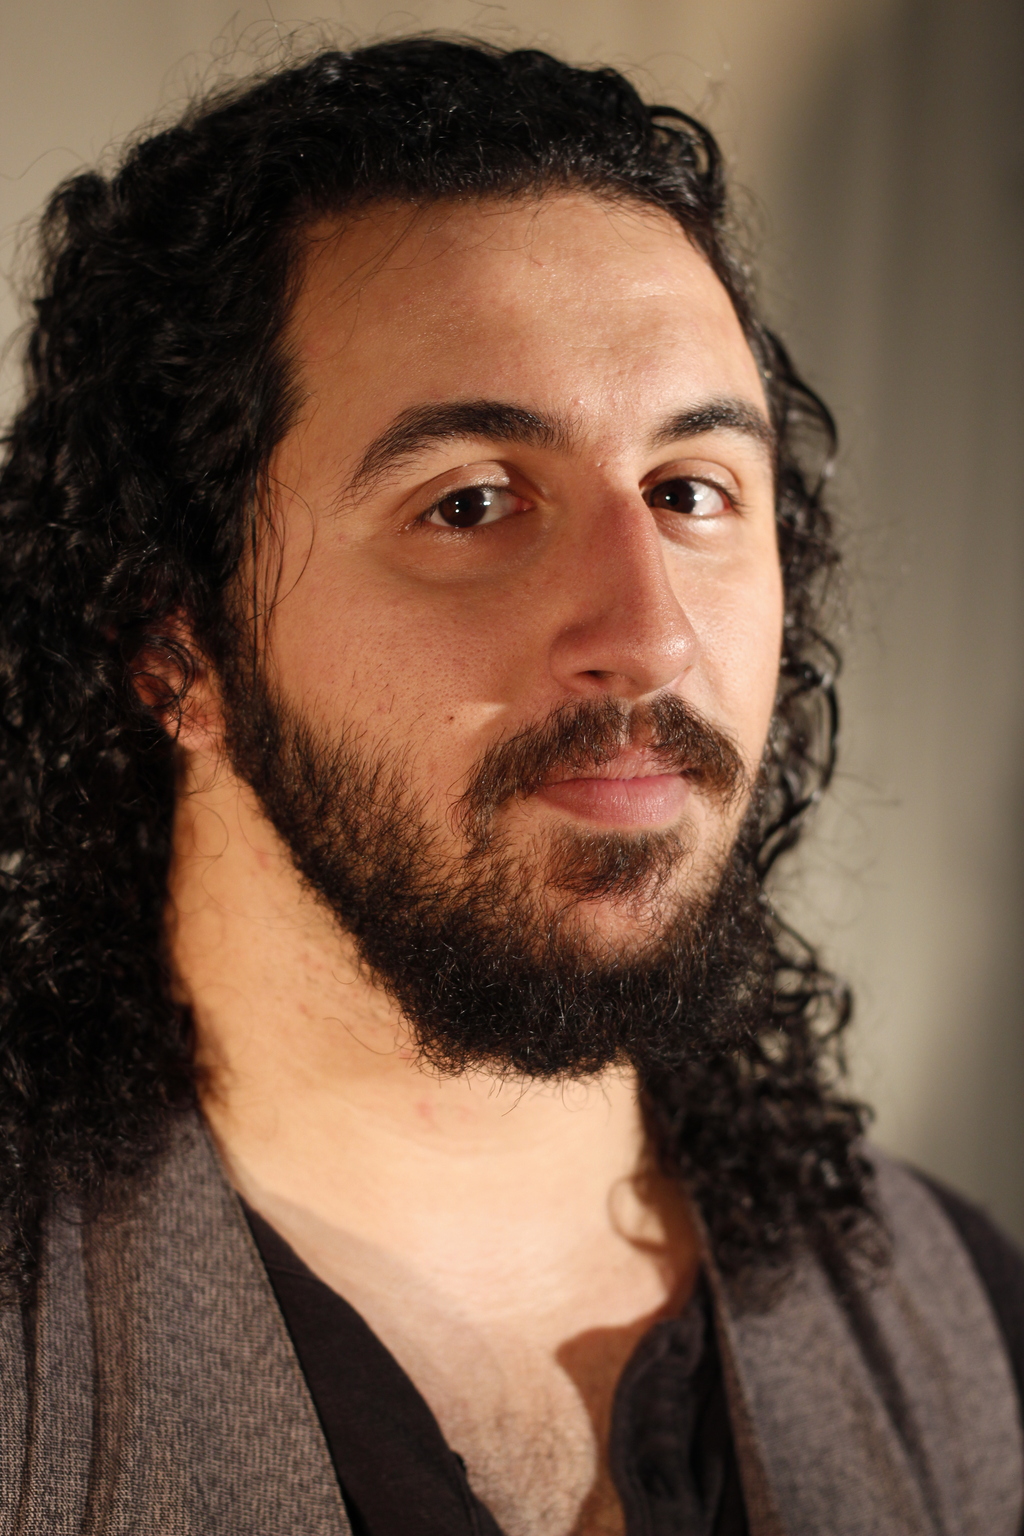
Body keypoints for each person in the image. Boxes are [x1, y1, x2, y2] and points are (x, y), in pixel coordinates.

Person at [0, 35, 1021, 1536]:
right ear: (171, 640)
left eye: (691, 493)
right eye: (470, 502)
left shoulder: (972, 1345)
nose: (651, 631)